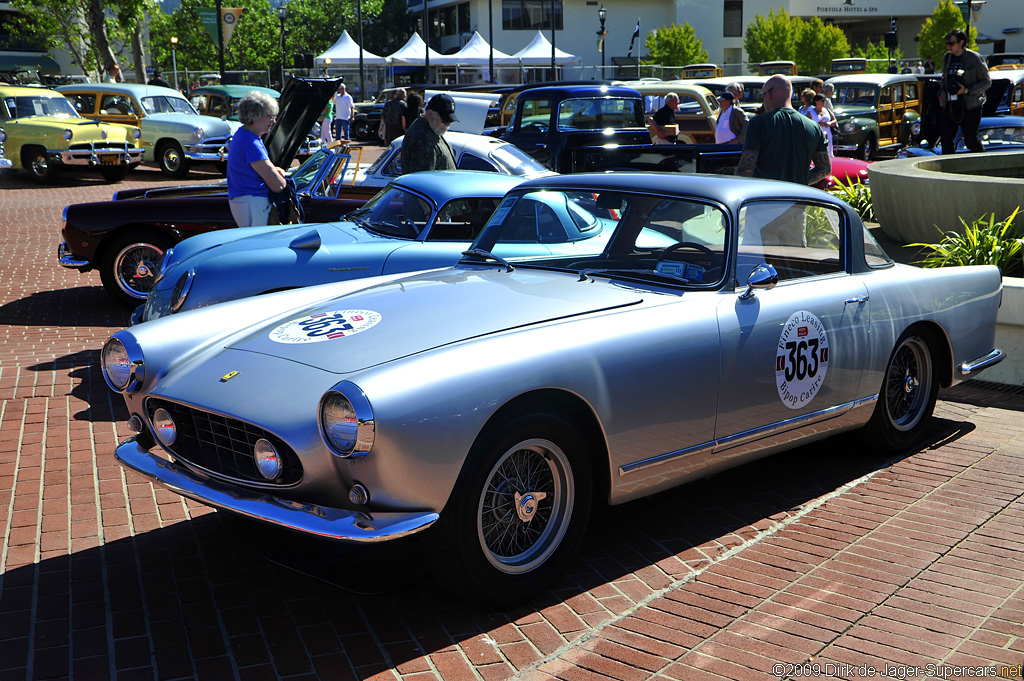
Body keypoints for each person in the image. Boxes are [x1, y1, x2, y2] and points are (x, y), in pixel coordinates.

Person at [736, 74, 830, 186]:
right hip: (798, 199)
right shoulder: (814, 127)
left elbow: (746, 169)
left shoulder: (758, 123)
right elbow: (824, 169)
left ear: (769, 94)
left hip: (764, 199)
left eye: (763, 96)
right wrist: (799, 182)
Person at [227, 91, 287, 228]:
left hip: (245, 201)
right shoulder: (251, 142)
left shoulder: (242, 135)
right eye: (270, 117)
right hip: (254, 203)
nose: (274, 121)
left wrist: (274, 170)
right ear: (255, 116)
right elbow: (277, 186)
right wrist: (281, 178)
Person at [939, 28, 990, 155]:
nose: (949, 47)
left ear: (961, 42)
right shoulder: (947, 58)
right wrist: (942, 96)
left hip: (970, 105)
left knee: (970, 139)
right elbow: (944, 79)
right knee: (946, 138)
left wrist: (967, 90)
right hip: (951, 104)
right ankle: (948, 168)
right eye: (947, 44)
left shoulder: (974, 58)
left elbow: (987, 82)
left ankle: (983, 163)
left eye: (951, 43)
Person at [400, 93, 458, 174]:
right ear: (430, 114)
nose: (448, 124)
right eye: (444, 120)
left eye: (450, 121)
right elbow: (423, 181)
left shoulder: (432, 130)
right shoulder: (422, 139)